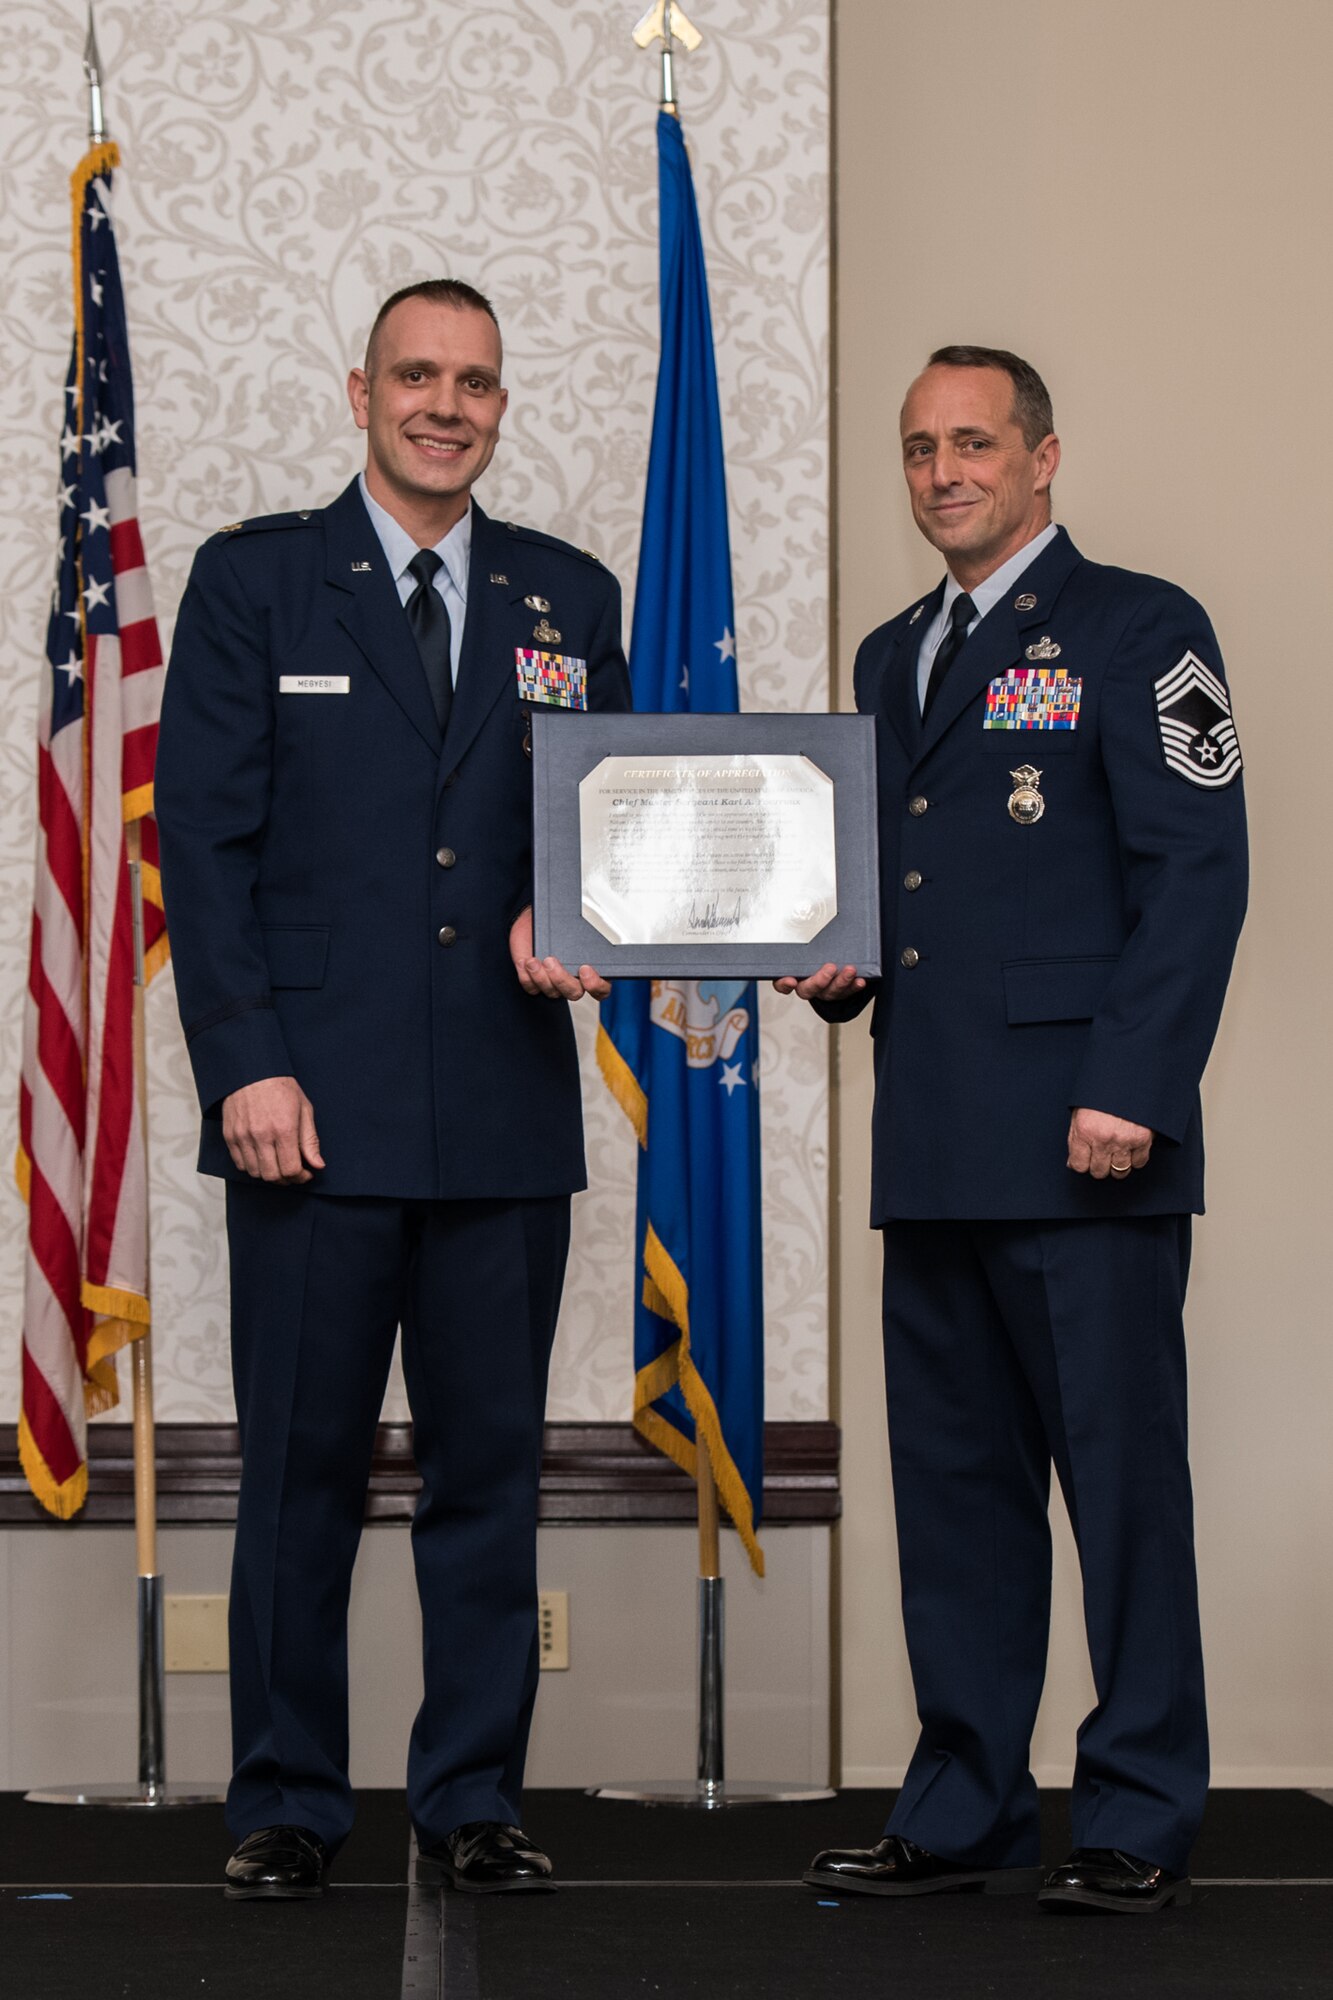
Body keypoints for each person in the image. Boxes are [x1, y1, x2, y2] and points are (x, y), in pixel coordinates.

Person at [156, 279, 631, 1900]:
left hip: (500, 1110)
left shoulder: (571, 596)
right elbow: (200, 849)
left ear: (504, 405)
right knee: (298, 1469)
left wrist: (561, 916)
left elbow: (603, 830)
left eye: (476, 383)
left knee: (489, 1472)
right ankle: (283, 1799)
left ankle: (471, 1796)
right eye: (418, 375)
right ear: (356, 386)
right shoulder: (256, 582)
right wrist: (247, 1063)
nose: (447, 404)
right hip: (311, 1113)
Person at [778, 346, 1246, 1914]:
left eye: (973, 443)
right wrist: (830, 964)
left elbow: (1196, 873)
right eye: (918, 449)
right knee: (960, 1502)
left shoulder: (1141, 628)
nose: (943, 473)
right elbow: (892, 895)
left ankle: (1132, 1809)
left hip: (1083, 1140)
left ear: (1044, 458)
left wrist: (1135, 1084)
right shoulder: (889, 651)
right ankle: (965, 1800)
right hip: (933, 1138)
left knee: (1120, 1491)